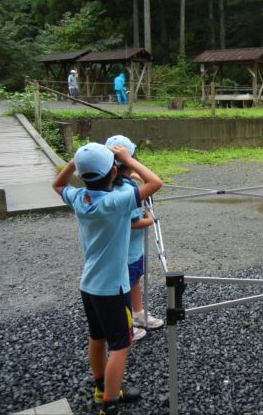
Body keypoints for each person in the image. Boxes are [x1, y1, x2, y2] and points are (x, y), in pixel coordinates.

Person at [53, 142, 163, 415]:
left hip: (88, 285)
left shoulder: (80, 198)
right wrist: (128, 158)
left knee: (97, 337)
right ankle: (110, 404)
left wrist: (74, 162)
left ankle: (102, 387)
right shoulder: (117, 201)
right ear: (115, 172)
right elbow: (155, 182)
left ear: (81, 174)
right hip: (113, 289)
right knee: (122, 346)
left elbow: (57, 185)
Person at [105, 134, 165, 339]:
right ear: (129, 161)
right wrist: (150, 220)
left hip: (132, 251)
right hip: (124, 253)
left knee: (134, 281)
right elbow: (131, 223)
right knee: (123, 287)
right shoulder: (122, 192)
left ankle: (138, 314)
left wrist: (131, 176)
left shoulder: (115, 183)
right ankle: (126, 324)